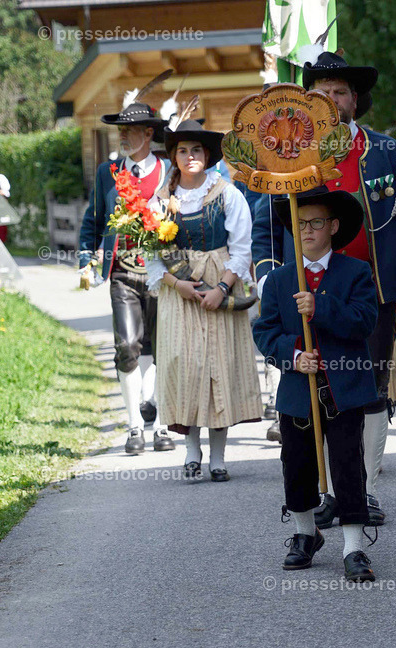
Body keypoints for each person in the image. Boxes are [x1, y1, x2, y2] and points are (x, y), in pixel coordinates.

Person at [252, 51, 396, 526]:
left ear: (355, 100)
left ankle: (364, 490)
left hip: (368, 294)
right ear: (307, 101)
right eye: (322, 93)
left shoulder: (388, 151)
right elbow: (266, 224)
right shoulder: (289, 153)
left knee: (368, 392)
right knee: (312, 391)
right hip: (302, 291)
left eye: (340, 92)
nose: (332, 100)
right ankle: (326, 492)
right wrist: (269, 274)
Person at [252, 187, 378, 582]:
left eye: (316, 222)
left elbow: (364, 321)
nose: (307, 230)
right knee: (297, 463)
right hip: (298, 390)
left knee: (347, 464)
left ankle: (354, 546)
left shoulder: (356, 272)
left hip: (344, 389)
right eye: (300, 223)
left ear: (334, 226)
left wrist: (319, 306)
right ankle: (306, 533)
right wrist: (293, 356)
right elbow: (265, 331)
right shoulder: (278, 279)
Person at [146, 119, 261, 482]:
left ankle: (219, 456)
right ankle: (191, 448)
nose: (190, 156)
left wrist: (222, 288)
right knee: (187, 366)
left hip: (220, 281)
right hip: (179, 293)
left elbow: (242, 248)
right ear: (174, 157)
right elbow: (150, 256)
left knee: (218, 367)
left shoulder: (227, 194)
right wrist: (176, 284)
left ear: (208, 155)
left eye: (196, 149)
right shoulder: (159, 201)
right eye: (182, 150)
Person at [77, 97, 176, 455]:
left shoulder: (168, 170)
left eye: (131, 130)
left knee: (162, 347)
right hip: (122, 271)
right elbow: (93, 219)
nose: (123, 136)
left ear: (148, 133)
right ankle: (135, 426)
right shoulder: (108, 172)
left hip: (163, 274)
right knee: (127, 346)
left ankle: (161, 424)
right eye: (120, 130)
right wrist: (85, 258)